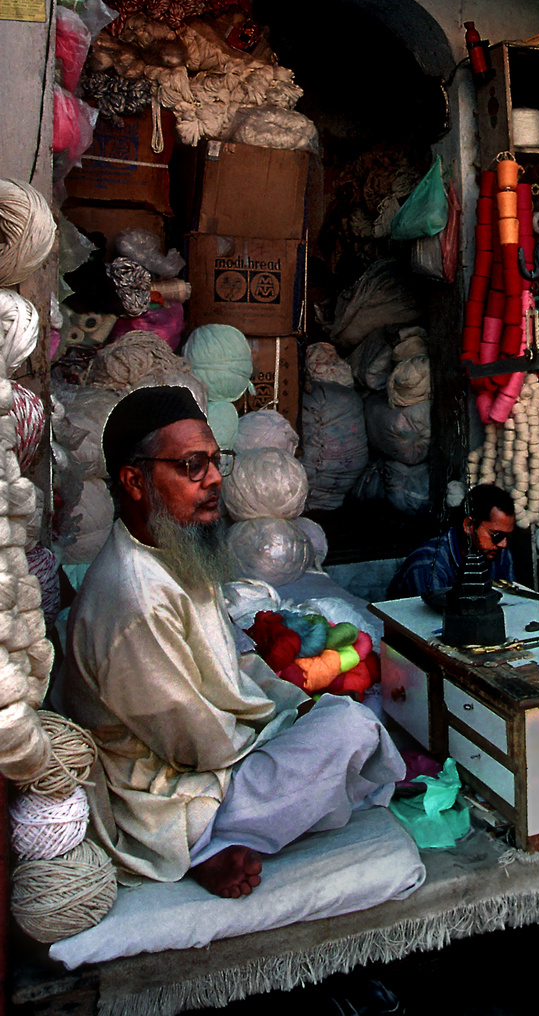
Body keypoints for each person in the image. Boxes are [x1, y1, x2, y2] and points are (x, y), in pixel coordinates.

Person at [57, 385, 405, 899]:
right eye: (193, 465)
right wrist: (282, 721)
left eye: (218, 461)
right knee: (352, 730)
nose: (215, 478)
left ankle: (270, 810)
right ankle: (207, 846)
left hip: (206, 756)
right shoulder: (135, 598)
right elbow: (196, 745)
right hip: (169, 796)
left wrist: (290, 703)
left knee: (336, 717)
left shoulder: (169, 547)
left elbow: (226, 666)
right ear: (134, 480)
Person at [387, 483, 516, 598]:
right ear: (468, 525)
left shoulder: (498, 551)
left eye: (507, 537)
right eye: (497, 535)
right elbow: (435, 620)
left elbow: (511, 601)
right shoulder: (429, 565)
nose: (503, 544)